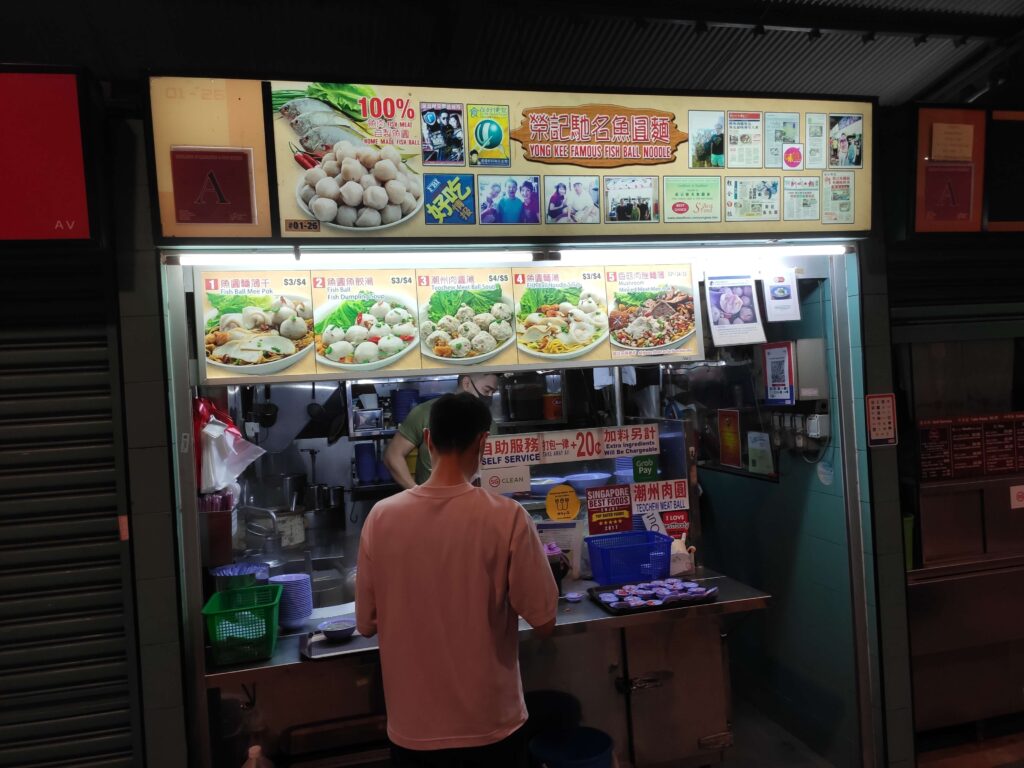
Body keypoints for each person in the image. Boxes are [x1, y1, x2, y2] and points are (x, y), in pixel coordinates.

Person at [357, 392, 558, 767]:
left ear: (428, 439)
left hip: (412, 731)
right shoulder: (508, 518)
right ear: (483, 441)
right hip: (491, 725)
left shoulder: (381, 518)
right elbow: (544, 621)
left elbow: (366, 624)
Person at [383, 373, 500, 488]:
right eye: (486, 391)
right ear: (466, 383)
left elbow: (493, 465)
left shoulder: (488, 423)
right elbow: (393, 455)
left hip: (473, 502)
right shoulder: (425, 413)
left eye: (492, 393)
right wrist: (416, 492)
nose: (489, 397)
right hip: (430, 503)